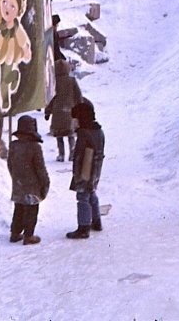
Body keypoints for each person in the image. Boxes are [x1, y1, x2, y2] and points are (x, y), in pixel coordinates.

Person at [7, 115, 49, 245]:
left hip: (18, 183)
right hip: (32, 186)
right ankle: (28, 236)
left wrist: (15, 176)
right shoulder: (35, 147)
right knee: (31, 210)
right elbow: (40, 168)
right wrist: (45, 183)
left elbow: (10, 164)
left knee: (18, 208)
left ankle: (15, 233)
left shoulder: (14, 145)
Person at [66, 99, 105, 239]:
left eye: (75, 119)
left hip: (85, 170)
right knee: (91, 193)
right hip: (96, 169)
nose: (73, 122)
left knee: (82, 196)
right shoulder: (98, 130)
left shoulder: (84, 133)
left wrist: (77, 174)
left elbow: (79, 155)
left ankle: (83, 227)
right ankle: (96, 221)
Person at [44, 59, 83, 161]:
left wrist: (48, 111)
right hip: (70, 111)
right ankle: (72, 152)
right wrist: (81, 108)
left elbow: (51, 99)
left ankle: (61, 154)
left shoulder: (54, 83)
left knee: (59, 135)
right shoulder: (72, 81)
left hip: (57, 112)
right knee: (70, 133)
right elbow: (78, 96)